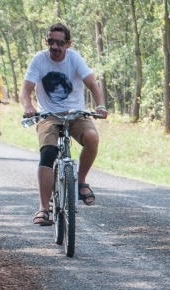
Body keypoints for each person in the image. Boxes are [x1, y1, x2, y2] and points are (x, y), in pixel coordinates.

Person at [20, 23, 108, 226]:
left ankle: (81, 182)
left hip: (76, 113)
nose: (54, 46)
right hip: (48, 115)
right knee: (48, 152)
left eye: (59, 42)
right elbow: (25, 91)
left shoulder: (75, 59)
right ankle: (43, 208)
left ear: (68, 44)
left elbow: (93, 85)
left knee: (92, 138)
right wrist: (28, 106)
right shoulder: (39, 60)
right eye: (50, 41)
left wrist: (100, 106)